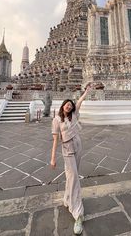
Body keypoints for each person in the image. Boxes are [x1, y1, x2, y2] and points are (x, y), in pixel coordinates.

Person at [50, 84, 92, 235]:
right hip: (67, 149)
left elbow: (79, 102)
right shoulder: (56, 120)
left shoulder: (74, 116)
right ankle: (78, 212)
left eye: (71, 105)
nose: (69, 106)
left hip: (78, 145)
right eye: (67, 105)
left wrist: (86, 92)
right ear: (63, 106)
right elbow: (55, 140)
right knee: (74, 177)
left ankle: (68, 199)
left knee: (72, 176)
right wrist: (53, 158)